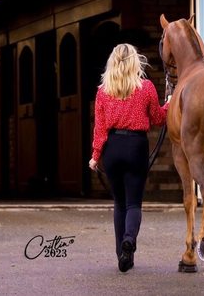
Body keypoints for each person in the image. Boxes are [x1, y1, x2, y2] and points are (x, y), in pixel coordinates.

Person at [88, 43, 168, 273]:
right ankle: (129, 241)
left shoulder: (103, 91)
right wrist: (170, 105)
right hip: (136, 146)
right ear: (135, 62)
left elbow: (100, 129)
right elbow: (158, 119)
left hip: (112, 148)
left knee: (119, 203)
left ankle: (121, 256)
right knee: (134, 203)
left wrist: (95, 156)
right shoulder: (147, 88)